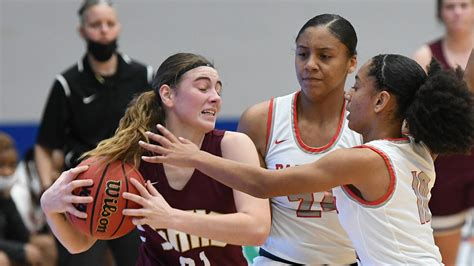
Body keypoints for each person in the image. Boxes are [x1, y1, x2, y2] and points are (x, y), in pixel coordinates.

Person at [139, 51, 474, 264]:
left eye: (357, 87)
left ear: (380, 101)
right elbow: (468, 87)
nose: (348, 93)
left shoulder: (365, 160)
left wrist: (194, 156)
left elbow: (263, 183)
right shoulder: (420, 147)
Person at [40, 52, 271, 265]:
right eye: (203, 88)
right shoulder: (133, 159)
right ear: (167, 95)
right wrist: (49, 207)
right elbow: (80, 243)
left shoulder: (232, 145)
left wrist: (172, 218)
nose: (215, 98)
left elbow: (257, 229)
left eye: (218, 90)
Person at [211, 14, 361, 265]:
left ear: (352, 62)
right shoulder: (261, 120)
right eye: (302, 54)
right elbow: (246, 213)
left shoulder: (365, 124)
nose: (310, 65)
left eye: (324, 56)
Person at [35, 0, 153, 265]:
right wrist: (48, 190)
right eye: (95, 24)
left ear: (118, 28)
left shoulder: (143, 75)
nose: (103, 30)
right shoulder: (67, 83)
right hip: (82, 193)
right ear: (82, 31)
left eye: (109, 24)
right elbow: (44, 145)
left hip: (132, 189)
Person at [412, 1, 474, 264]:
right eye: (450, 6)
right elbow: (418, 118)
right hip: (447, 167)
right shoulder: (426, 55)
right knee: (444, 259)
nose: (457, 12)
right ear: (440, 13)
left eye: (464, 5)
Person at [0, 132, 56, 266]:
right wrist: (20, 250)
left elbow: (22, 237)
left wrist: (6, 198)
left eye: (12, 165)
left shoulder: (4, 195)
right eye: (1, 165)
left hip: (6, 245)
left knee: (47, 246)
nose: (7, 172)